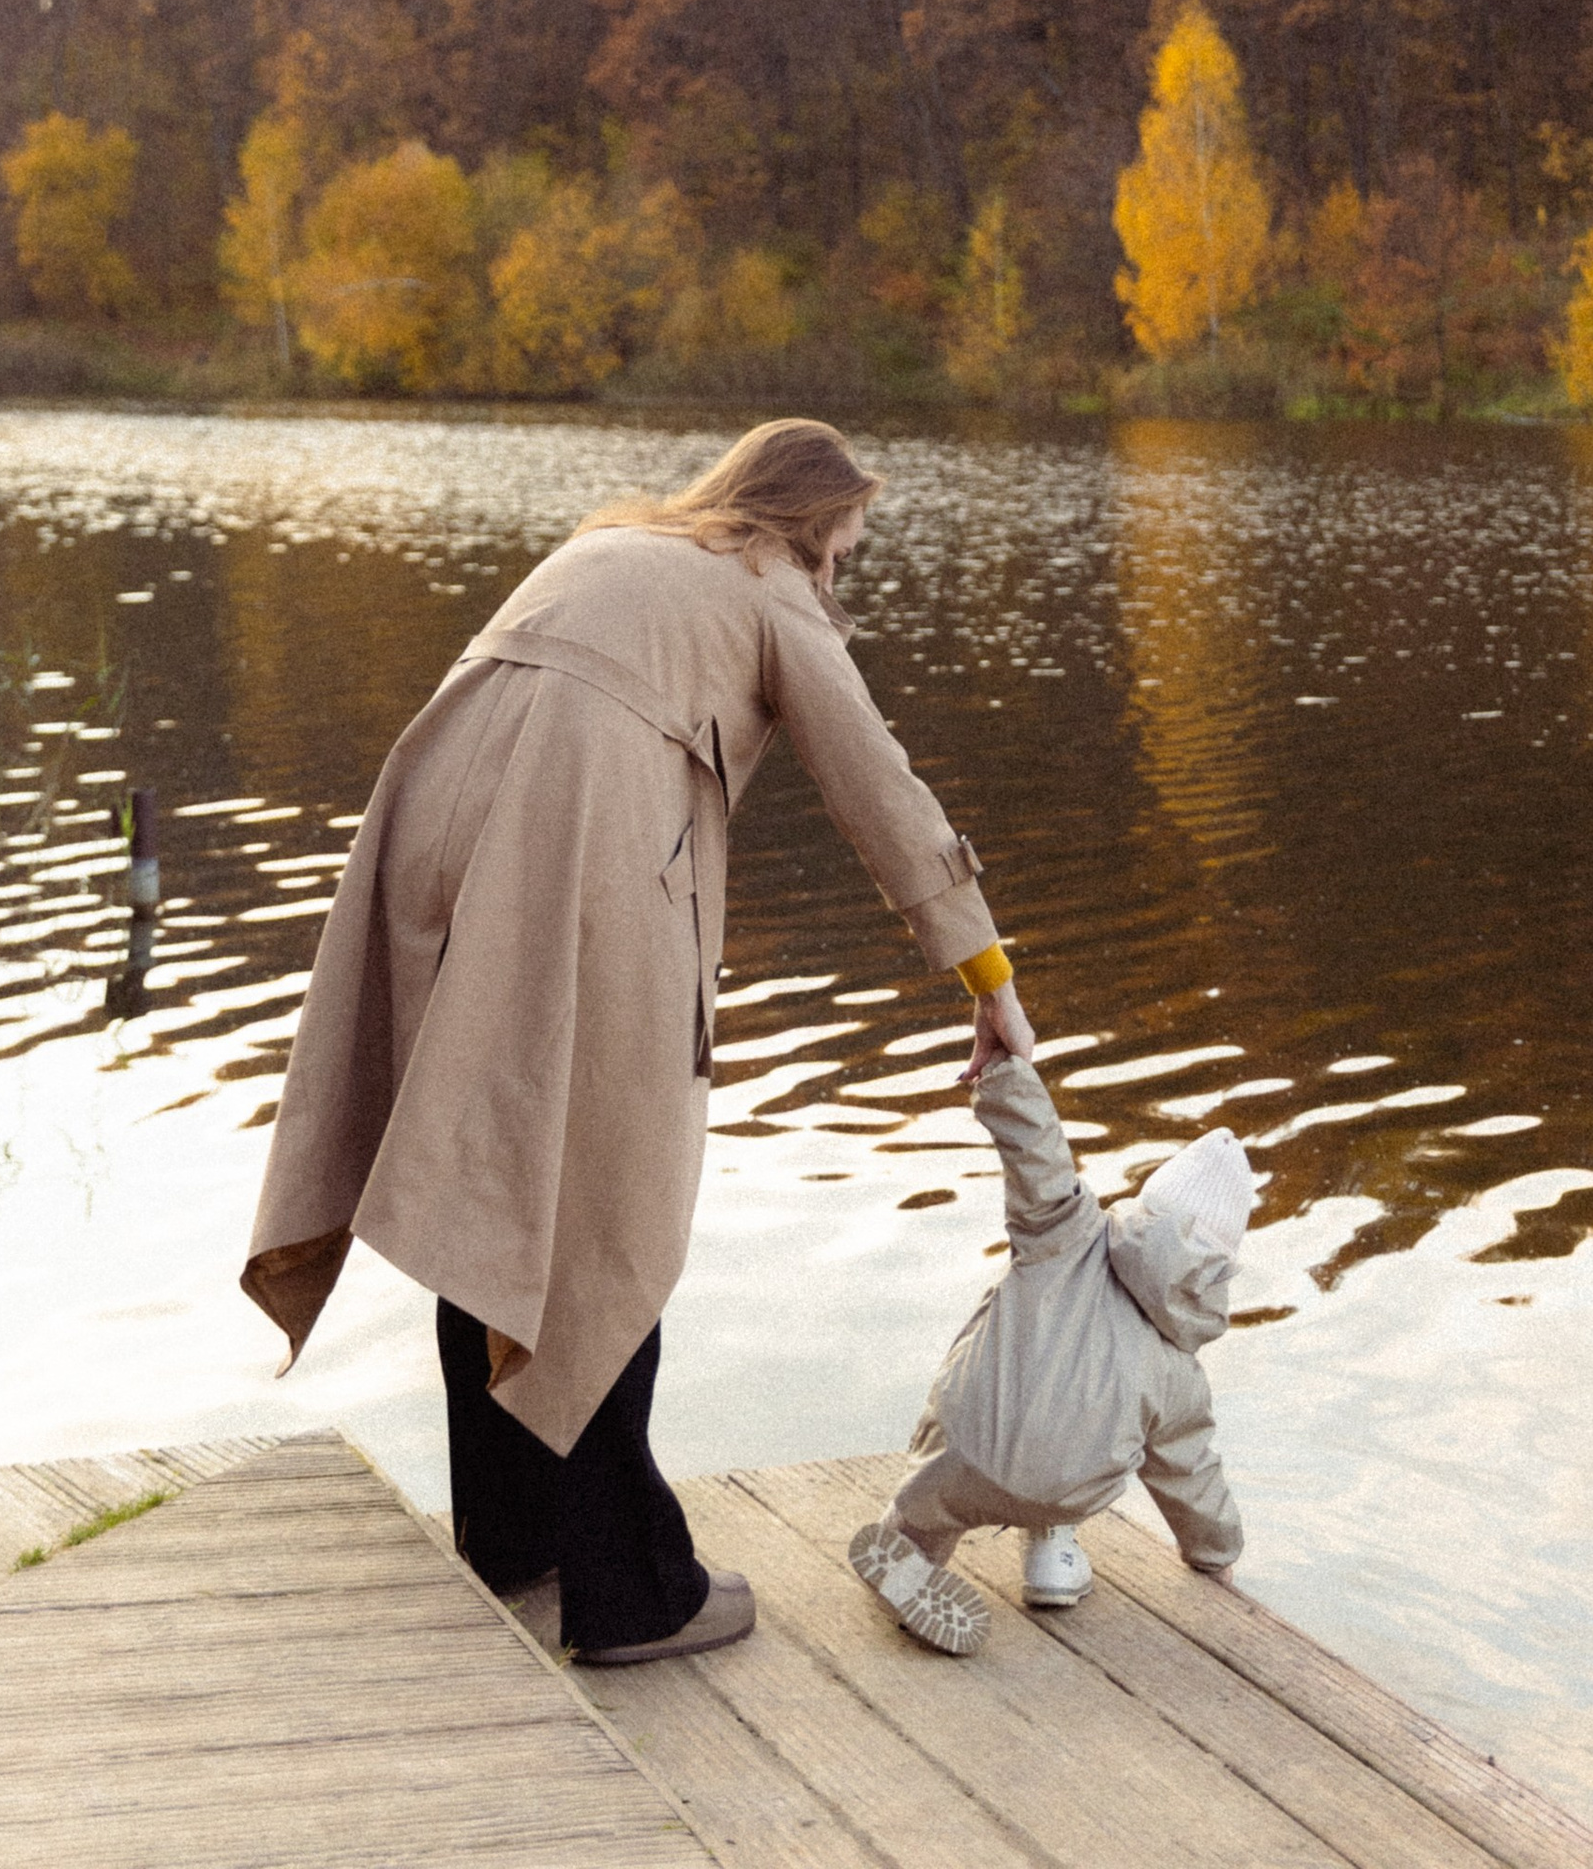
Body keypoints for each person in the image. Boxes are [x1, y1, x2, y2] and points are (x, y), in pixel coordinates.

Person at [240, 418, 1034, 1666]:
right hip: (565, 853)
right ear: (803, 523)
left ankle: (513, 1534)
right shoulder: (764, 581)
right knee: (605, 1200)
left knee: (494, 1178)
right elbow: (876, 783)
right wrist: (985, 971)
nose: (841, 571)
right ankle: (631, 1589)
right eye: (843, 546)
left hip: (428, 832)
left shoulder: (613, 543)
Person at [848, 1056, 1250, 1656]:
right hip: (1066, 1486)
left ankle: (908, 1552)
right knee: (1089, 1431)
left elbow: (1037, 1152)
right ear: (1217, 1271)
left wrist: (1004, 1070)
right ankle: (1053, 1558)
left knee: (933, 1501)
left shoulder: (1066, 1234)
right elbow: (1189, 1472)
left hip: (964, 1447)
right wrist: (1215, 1555)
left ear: (1146, 1212)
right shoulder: (1181, 1370)